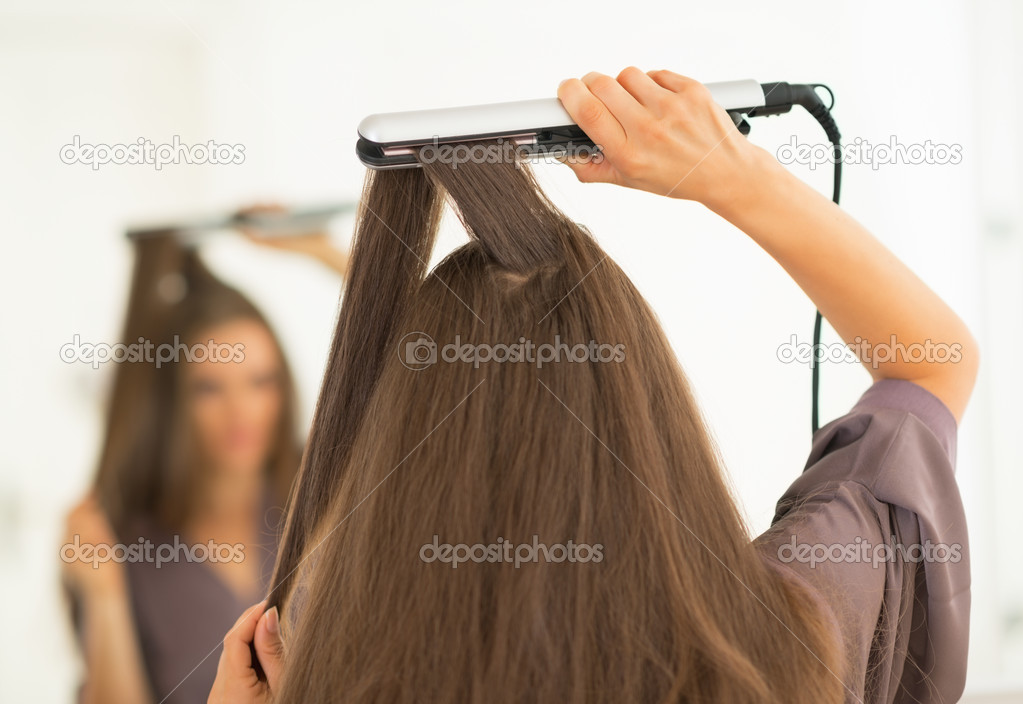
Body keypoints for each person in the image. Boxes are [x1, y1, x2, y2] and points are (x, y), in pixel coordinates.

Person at [211, 68, 978, 703]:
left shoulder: (329, 675)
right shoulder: (785, 641)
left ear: (400, 444)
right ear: (643, 405)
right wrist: (735, 177)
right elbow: (929, 361)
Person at [61, 214, 349, 704]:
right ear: (173, 401)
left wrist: (327, 254)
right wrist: (104, 595)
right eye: (210, 388)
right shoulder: (122, 540)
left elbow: (428, 357)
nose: (242, 413)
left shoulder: (326, 487)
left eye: (261, 382)